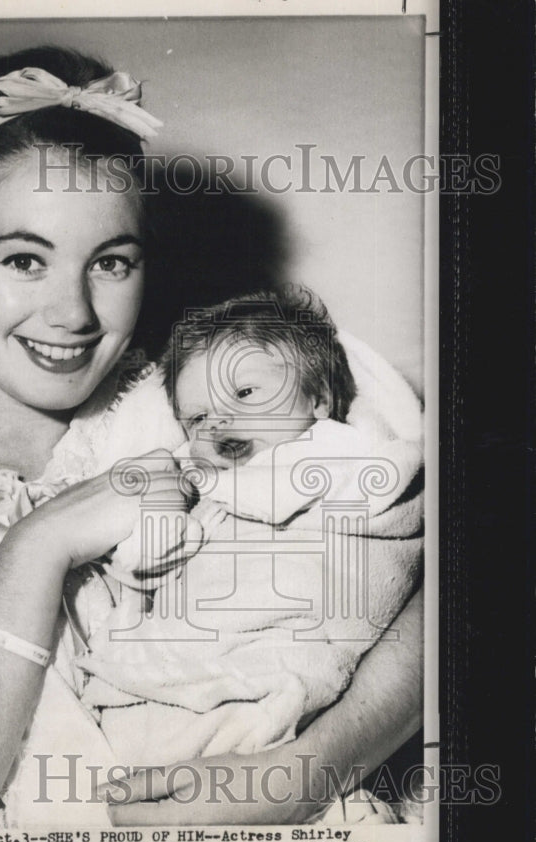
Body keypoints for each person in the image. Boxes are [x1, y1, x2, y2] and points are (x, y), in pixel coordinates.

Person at [0, 46, 423, 830]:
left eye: (110, 261)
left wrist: (306, 772)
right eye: (24, 259)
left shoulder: (216, 400)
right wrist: (37, 546)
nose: (72, 313)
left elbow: (456, 578)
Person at [70, 287, 423, 775]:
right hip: (209, 655)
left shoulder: (340, 449)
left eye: (245, 393)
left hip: (290, 649)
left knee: (246, 727)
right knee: (146, 721)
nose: (219, 421)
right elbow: (143, 567)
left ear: (318, 400)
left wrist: (202, 483)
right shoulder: (203, 484)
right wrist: (163, 511)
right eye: (196, 417)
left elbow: (362, 500)